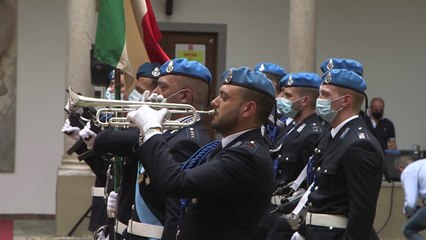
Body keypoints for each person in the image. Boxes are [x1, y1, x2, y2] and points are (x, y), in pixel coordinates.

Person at [127, 66, 276, 240]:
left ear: (248, 109)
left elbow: (176, 182)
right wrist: (146, 134)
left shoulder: (247, 156)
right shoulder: (225, 147)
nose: (214, 101)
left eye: (224, 97)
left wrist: (152, 129)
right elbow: (170, 173)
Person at [92, 58, 213, 240]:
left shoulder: (187, 141)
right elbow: (103, 142)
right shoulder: (165, 131)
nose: (154, 92)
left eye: (162, 87)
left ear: (184, 97)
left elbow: (176, 212)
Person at [303, 68, 384, 239]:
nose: (319, 100)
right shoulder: (331, 135)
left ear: (345, 100)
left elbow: (362, 210)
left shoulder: (359, 143)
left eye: (325, 95)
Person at [266, 72, 324, 240]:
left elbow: (311, 181)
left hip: (290, 217)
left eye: (287, 95)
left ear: (304, 100)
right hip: (273, 212)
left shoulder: (312, 133)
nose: (281, 98)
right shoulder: (290, 128)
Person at [394, 155, 426, 240]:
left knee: (408, 229)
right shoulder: (422, 164)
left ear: (401, 168)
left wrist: (407, 212)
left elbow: (411, 203)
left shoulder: (408, 171)